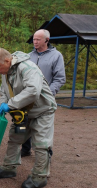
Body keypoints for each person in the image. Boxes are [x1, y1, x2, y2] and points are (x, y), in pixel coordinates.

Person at [0, 48, 57, 188]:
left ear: (7, 61)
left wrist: (11, 105)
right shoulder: (5, 71)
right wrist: (3, 104)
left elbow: (33, 91)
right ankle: (9, 167)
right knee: (15, 138)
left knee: (41, 143)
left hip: (42, 111)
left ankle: (40, 176)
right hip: (24, 112)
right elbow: (4, 90)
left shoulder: (28, 68)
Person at [21, 29, 66, 157]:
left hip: (45, 100)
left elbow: (60, 78)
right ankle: (25, 149)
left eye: (38, 39)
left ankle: (46, 154)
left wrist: (49, 93)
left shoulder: (56, 56)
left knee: (43, 128)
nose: (35, 42)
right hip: (29, 96)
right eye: (34, 39)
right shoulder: (29, 56)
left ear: (47, 40)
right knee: (25, 122)